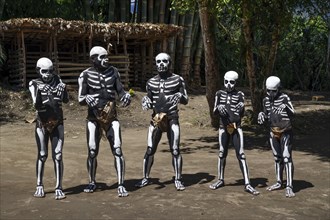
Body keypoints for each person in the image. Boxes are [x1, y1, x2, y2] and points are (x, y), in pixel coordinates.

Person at [78, 46, 131, 197]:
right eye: (101, 57)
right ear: (93, 59)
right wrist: (87, 99)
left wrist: (125, 97)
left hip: (111, 118)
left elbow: (121, 92)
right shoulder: (85, 75)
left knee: (118, 149)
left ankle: (121, 184)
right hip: (93, 119)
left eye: (106, 57)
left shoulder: (114, 72)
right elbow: (80, 99)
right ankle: (92, 181)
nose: (105, 60)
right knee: (92, 151)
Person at [135, 52, 188, 191]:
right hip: (157, 117)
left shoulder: (178, 79)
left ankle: (178, 178)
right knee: (150, 149)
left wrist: (179, 95)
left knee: (175, 149)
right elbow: (149, 99)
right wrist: (145, 100)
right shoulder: (151, 82)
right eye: (158, 61)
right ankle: (145, 178)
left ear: (169, 63)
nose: (161, 64)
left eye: (164, 61)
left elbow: (185, 99)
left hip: (172, 117)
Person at [209, 71, 259, 195]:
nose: (229, 84)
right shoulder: (219, 94)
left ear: (236, 83)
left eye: (231, 82)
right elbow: (214, 111)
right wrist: (219, 108)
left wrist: (242, 106)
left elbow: (241, 113)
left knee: (241, 154)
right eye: (226, 82)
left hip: (236, 127)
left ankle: (247, 183)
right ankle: (220, 179)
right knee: (222, 153)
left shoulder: (240, 94)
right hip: (223, 127)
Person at [29, 57, 69, 200]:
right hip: (42, 123)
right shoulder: (34, 83)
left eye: (51, 71)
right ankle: (39, 185)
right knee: (42, 154)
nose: (48, 74)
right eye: (44, 71)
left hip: (58, 122)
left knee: (58, 155)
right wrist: (40, 91)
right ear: (38, 71)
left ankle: (59, 186)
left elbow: (65, 100)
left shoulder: (58, 81)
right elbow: (36, 105)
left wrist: (64, 89)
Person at [258, 76, 295, 198]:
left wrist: (285, 107)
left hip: (285, 131)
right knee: (277, 158)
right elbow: (266, 114)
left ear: (279, 89)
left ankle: (289, 185)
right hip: (273, 131)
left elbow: (293, 112)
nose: (271, 93)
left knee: (286, 157)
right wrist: (262, 115)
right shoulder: (266, 100)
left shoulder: (284, 98)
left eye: (274, 91)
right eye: (268, 91)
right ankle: (279, 181)